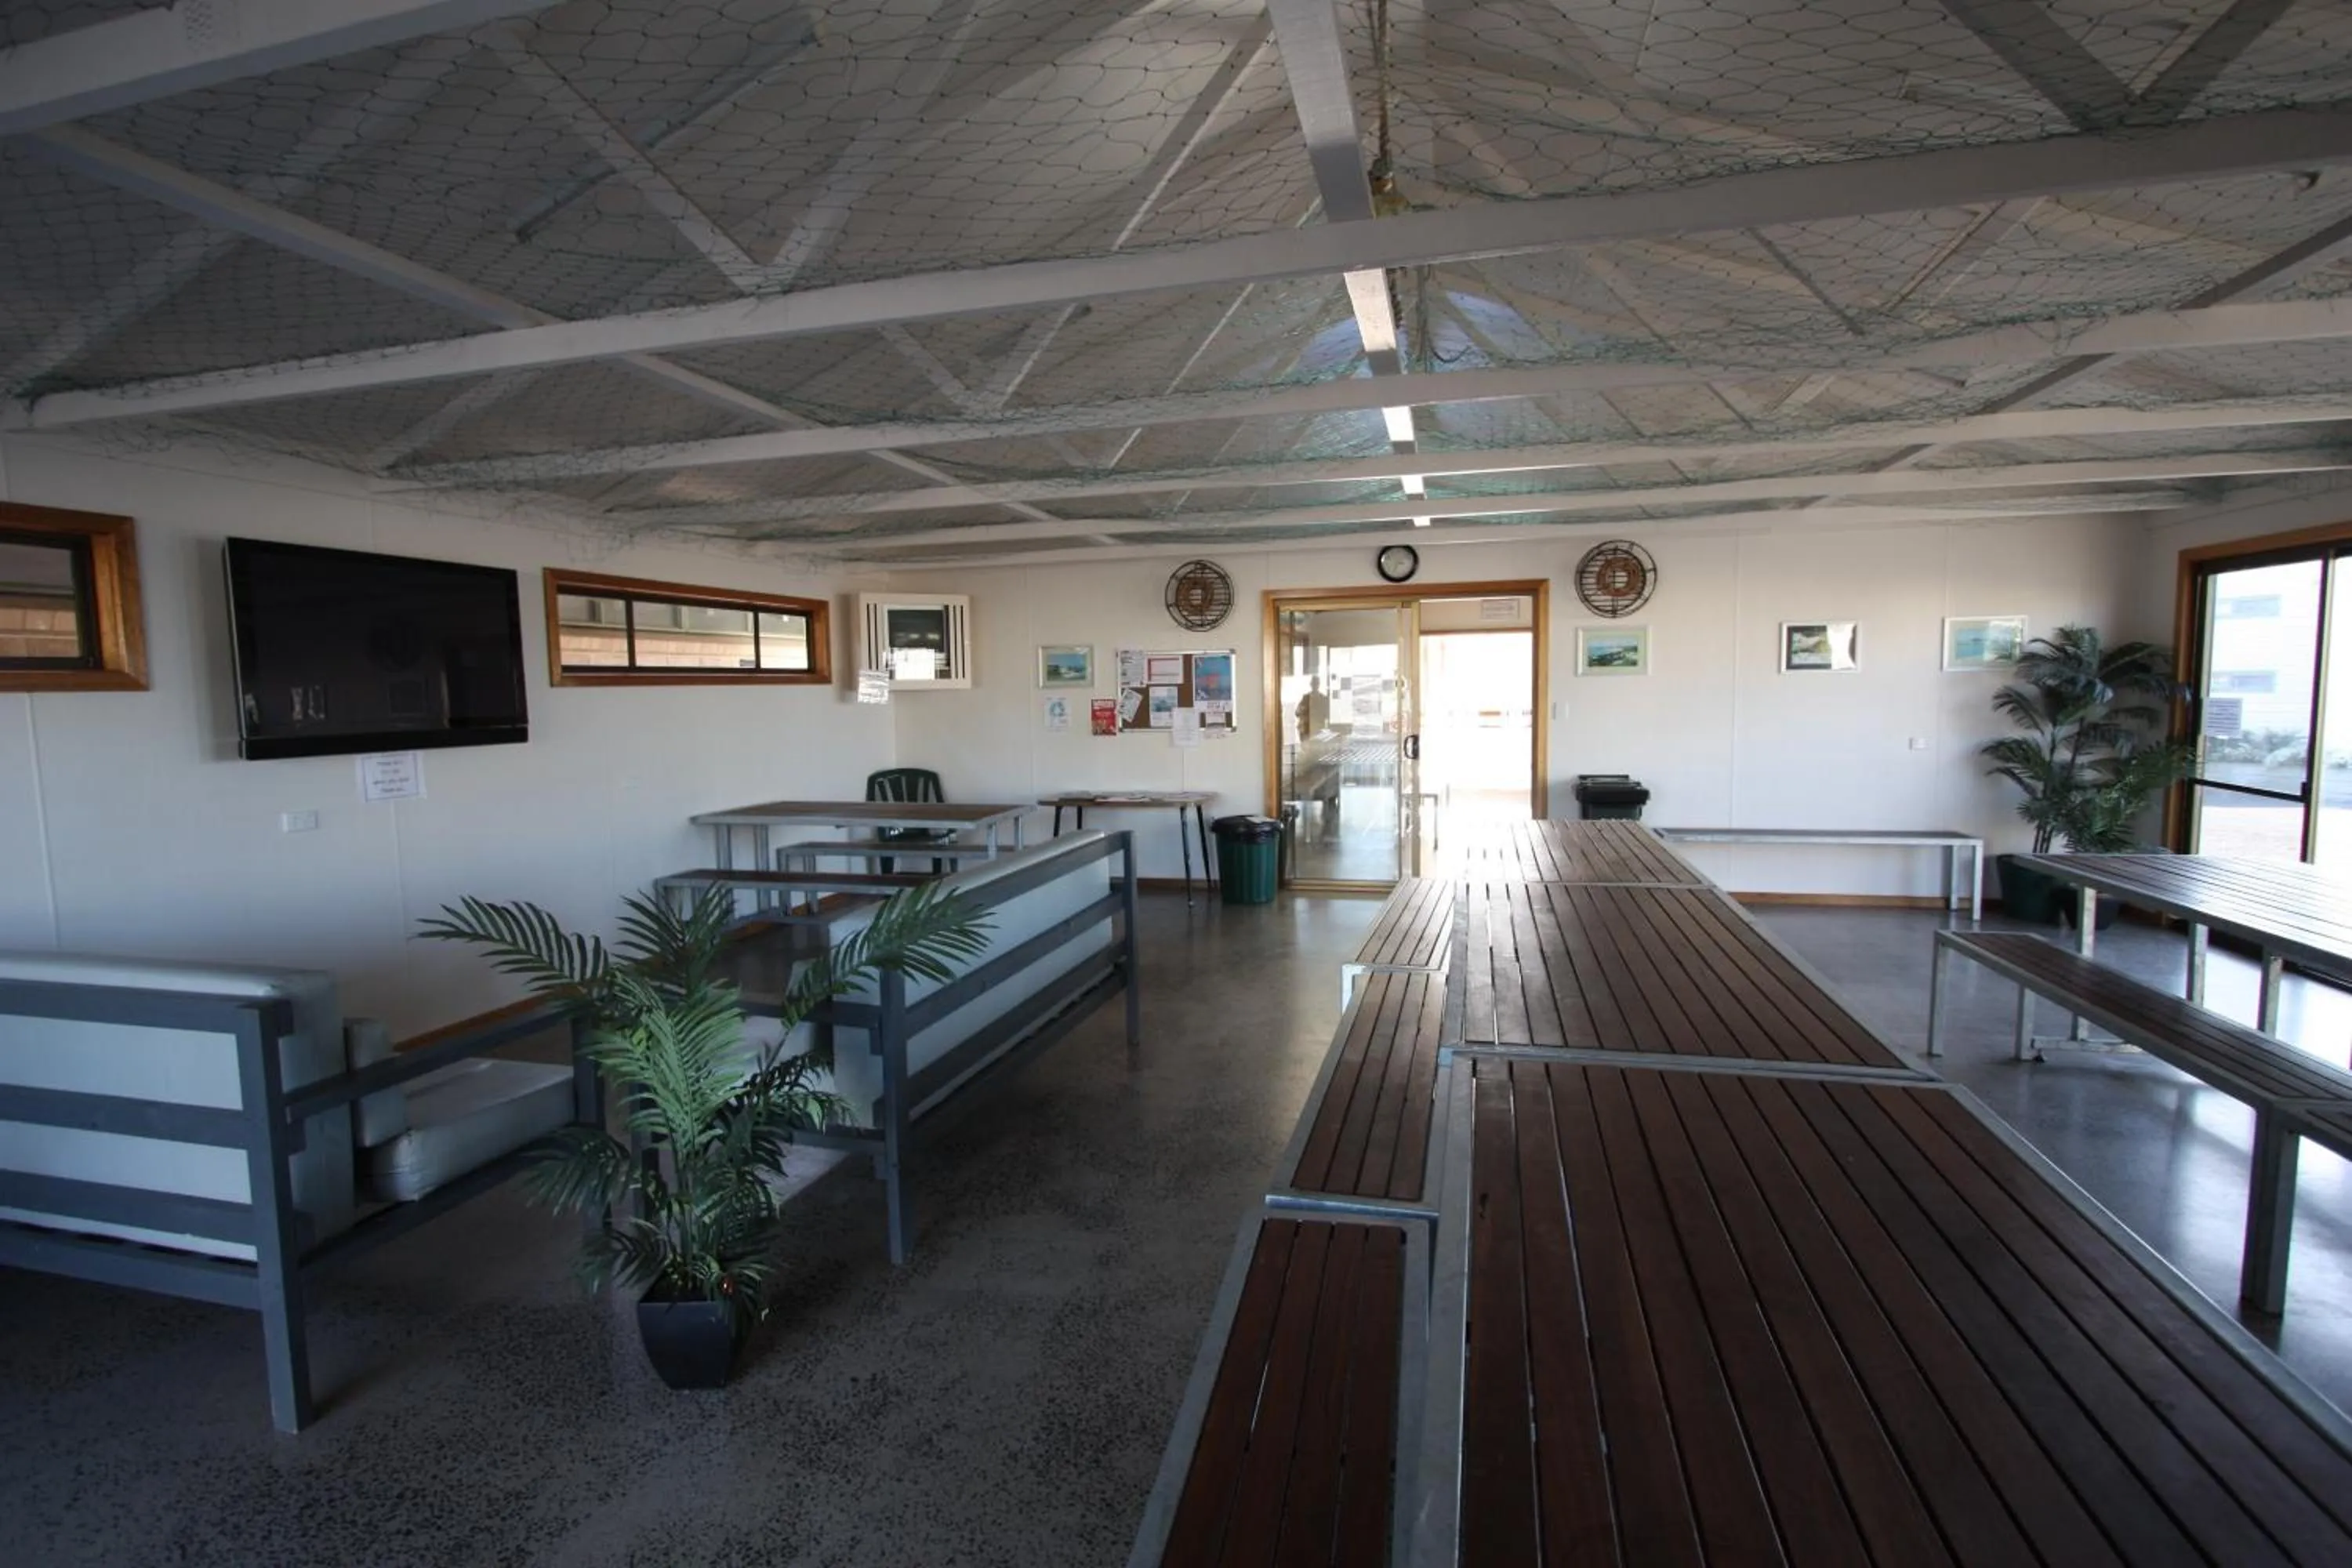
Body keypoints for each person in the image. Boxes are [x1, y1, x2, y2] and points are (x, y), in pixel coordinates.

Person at [1294, 677, 1330, 742]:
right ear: (1311, 684)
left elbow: (1327, 715)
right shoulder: (1306, 698)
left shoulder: (1323, 699)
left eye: (1316, 684)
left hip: (1317, 730)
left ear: (1318, 685)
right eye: (1313, 684)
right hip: (1306, 730)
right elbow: (1297, 712)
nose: (1314, 686)